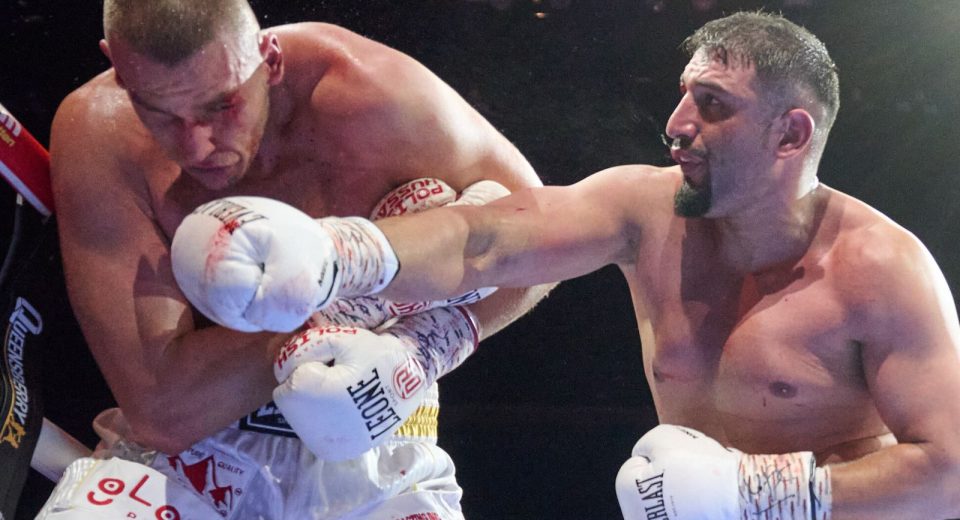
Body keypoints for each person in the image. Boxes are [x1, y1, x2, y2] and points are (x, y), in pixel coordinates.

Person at [173, 11, 960, 519]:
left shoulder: (878, 269)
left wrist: (762, 497)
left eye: (714, 105)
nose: (676, 124)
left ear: (791, 135)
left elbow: (950, 472)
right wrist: (336, 252)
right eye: (684, 95)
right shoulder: (643, 209)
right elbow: (487, 239)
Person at [39, 0, 547, 518]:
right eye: (158, 111)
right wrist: (368, 292)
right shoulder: (99, 128)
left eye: (221, 105)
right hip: (191, 458)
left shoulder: (377, 97)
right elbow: (163, 411)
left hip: (379, 446)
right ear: (117, 68)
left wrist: (425, 347)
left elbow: (547, 238)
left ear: (270, 58)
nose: (197, 146)